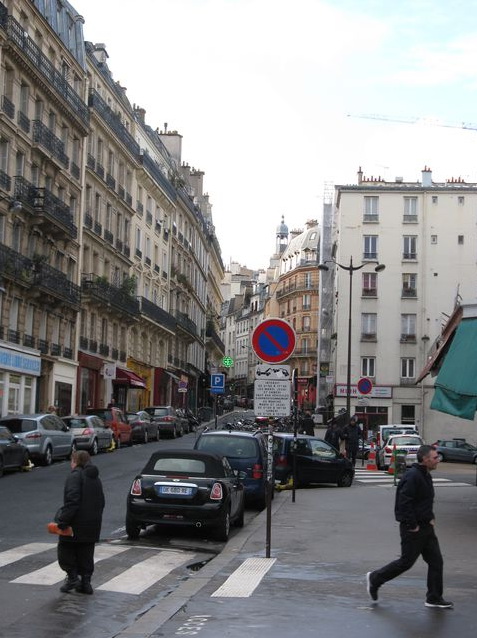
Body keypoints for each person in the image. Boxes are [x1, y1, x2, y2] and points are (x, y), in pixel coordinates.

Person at [366, 445, 453, 609]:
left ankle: (434, 598)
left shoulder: (425, 475)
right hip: (413, 528)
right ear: (425, 459)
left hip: (426, 527)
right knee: (405, 562)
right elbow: (404, 502)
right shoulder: (413, 476)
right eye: (435, 458)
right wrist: (412, 525)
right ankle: (375, 579)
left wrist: (430, 517)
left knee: (436, 562)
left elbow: (424, 500)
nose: (438, 460)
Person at [54, 450, 105, 595]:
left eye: (71, 460)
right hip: (92, 524)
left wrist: (63, 521)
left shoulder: (75, 476)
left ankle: (72, 578)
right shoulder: (95, 478)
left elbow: (72, 501)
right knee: (86, 553)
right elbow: (101, 501)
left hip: (75, 524)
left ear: (75, 461)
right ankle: (85, 583)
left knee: (65, 550)